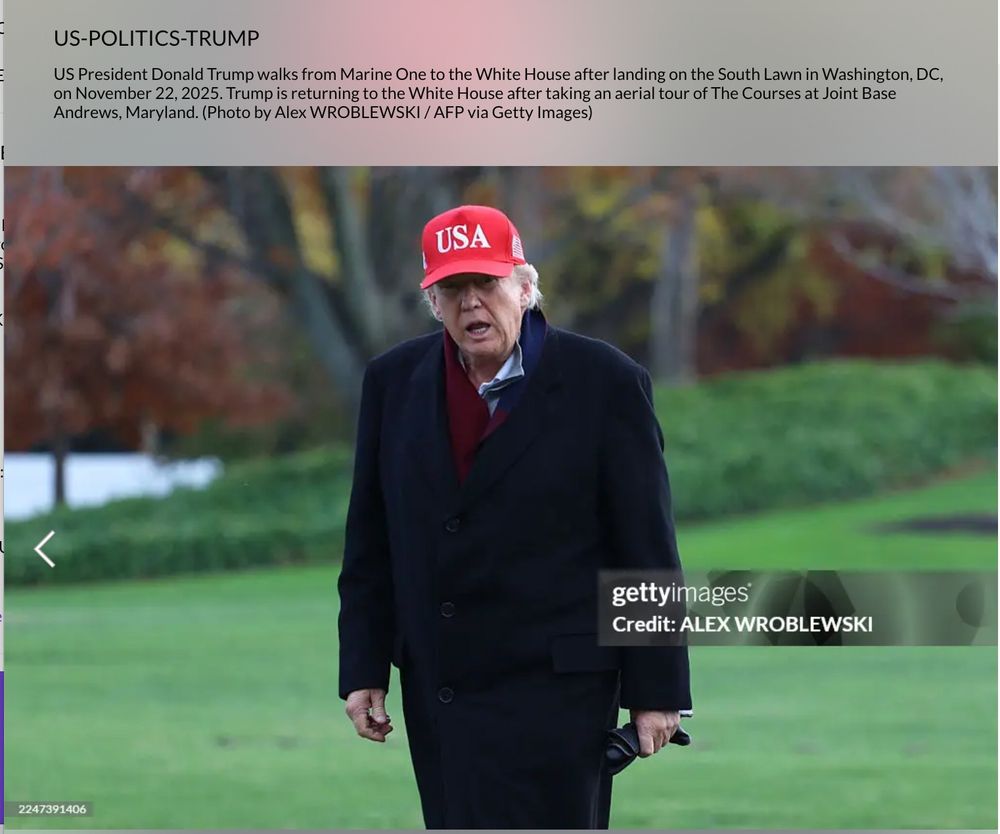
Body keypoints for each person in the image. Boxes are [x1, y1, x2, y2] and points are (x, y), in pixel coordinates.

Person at [338, 205, 692, 829]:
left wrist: (657, 689)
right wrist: (363, 667)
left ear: (524, 288)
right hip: (442, 687)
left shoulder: (605, 381)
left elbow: (645, 547)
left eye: (487, 284)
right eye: (452, 289)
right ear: (434, 303)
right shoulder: (393, 383)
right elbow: (370, 542)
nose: (471, 303)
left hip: (559, 693)